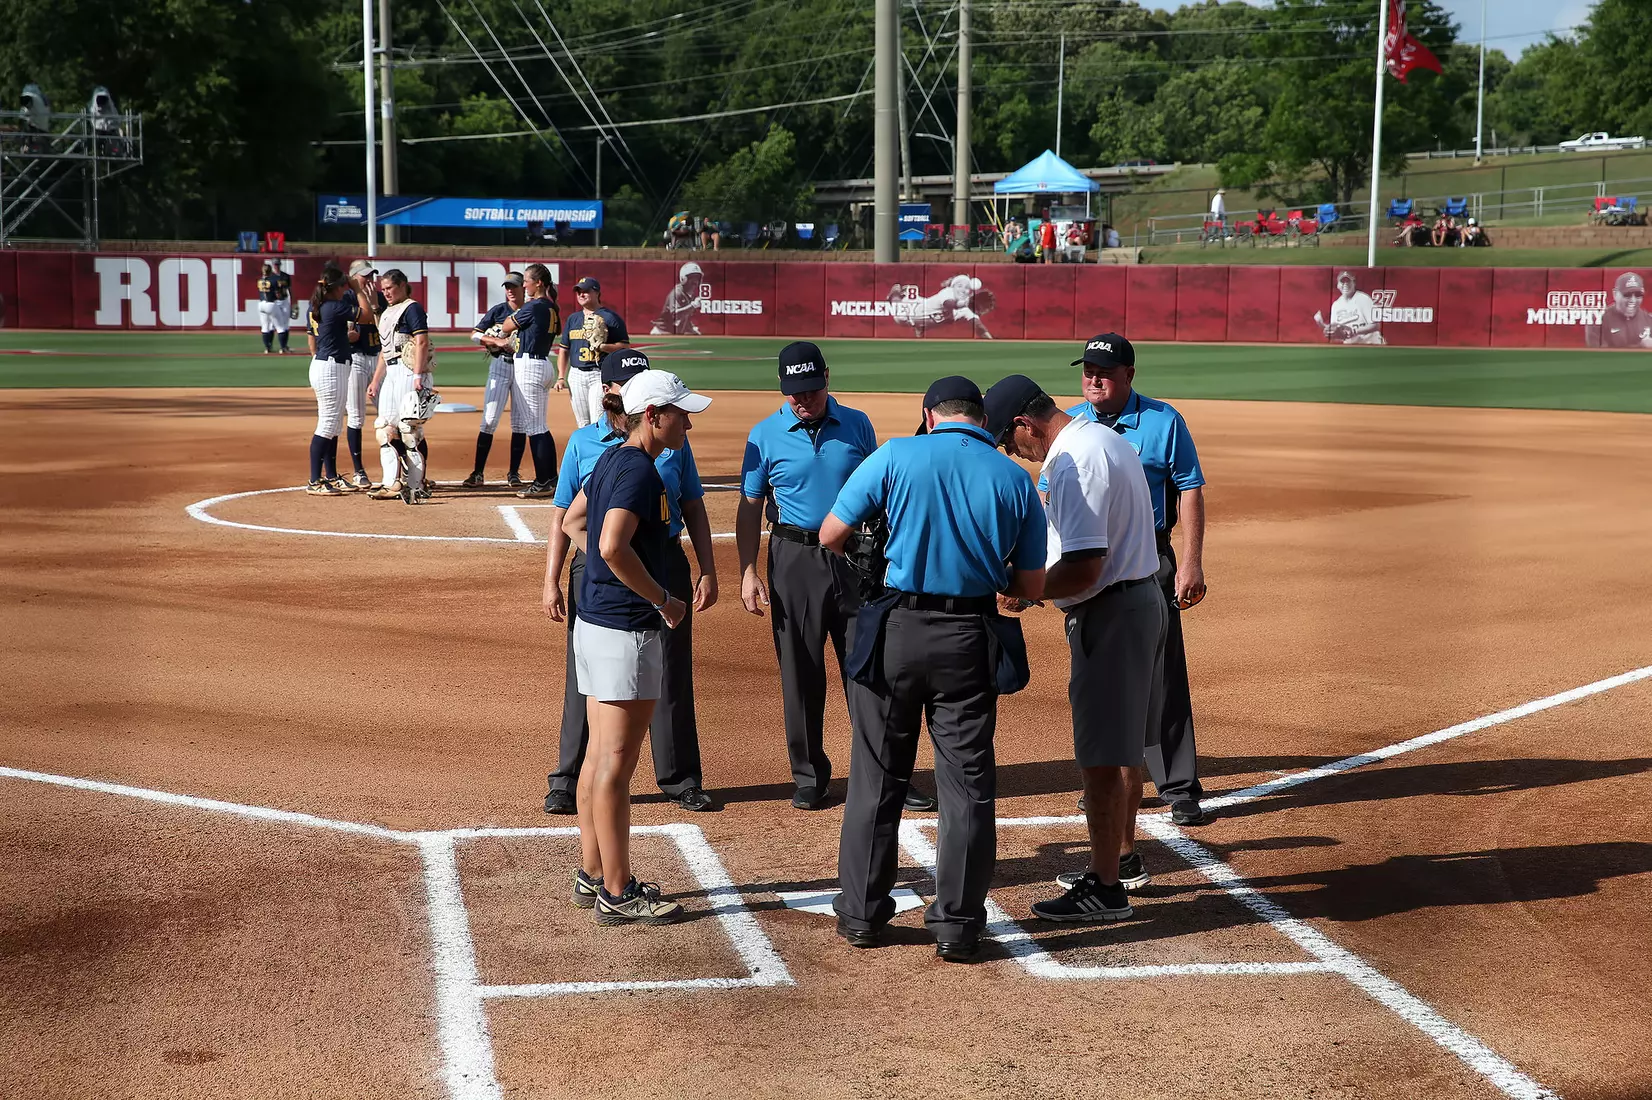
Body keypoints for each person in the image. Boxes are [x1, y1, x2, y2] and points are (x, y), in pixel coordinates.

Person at [820, 375, 1046, 962]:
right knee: (967, 787)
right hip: (969, 637)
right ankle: (958, 925)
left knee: (876, 777)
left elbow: (831, 534)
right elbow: (1028, 584)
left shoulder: (896, 453)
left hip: (895, 631)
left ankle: (863, 915)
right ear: (980, 419)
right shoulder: (1014, 477)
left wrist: (873, 565)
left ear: (929, 415)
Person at [986, 374, 1165, 923]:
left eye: (1008, 441)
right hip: (1133, 603)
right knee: (1122, 744)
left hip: (1109, 614)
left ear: (1026, 426)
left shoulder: (1072, 459)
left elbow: (1086, 564)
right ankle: (1124, 858)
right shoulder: (1102, 438)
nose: (1012, 452)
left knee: (1099, 758)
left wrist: (1023, 590)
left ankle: (1107, 887)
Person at [735, 343, 935, 814]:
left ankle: (886, 773)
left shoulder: (858, 424)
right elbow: (748, 508)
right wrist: (746, 571)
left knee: (868, 667)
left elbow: (879, 491)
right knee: (800, 672)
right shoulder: (764, 434)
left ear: (827, 377)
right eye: (793, 392)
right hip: (793, 559)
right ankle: (809, 776)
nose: (802, 399)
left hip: (853, 558)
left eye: (810, 389)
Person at [558, 368, 712, 925]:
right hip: (627, 630)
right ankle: (618, 892)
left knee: (600, 757)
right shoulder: (641, 473)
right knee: (616, 767)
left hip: (596, 623)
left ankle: (594, 871)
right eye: (681, 413)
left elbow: (575, 522)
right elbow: (611, 544)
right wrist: (663, 599)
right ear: (653, 415)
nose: (688, 423)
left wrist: (599, 567)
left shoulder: (609, 460)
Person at [1061, 333, 1210, 827]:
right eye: (1087, 370)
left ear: (1129, 375)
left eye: (1104, 371)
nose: (1093, 379)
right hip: (1089, 562)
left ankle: (1178, 783)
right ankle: (1107, 779)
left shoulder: (1163, 421)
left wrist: (1190, 561)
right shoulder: (1073, 425)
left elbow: (1189, 489)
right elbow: (1047, 497)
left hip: (1149, 558)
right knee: (1100, 674)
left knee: (1161, 672)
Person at [481, 264, 562, 497]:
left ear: (538, 283)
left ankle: (543, 480)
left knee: (535, 428)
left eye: (527, 280)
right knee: (539, 426)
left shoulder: (534, 305)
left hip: (529, 364)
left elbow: (506, 326)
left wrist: (505, 331)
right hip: (543, 363)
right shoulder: (551, 306)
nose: (523, 284)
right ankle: (550, 478)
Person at [303, 265, 375, 495]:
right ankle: (314, 480)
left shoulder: (327, 305)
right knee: (327, 424)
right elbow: (367, 315)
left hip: (333, 365)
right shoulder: (333, 306)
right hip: (330, 367)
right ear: (336, 288)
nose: (347, 288)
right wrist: (359, 291)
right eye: (344, 285)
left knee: (333, 425)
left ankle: (330, 476)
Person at [365, 269, 434, 503]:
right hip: (392, 372)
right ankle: (391, 482)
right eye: (383, 289)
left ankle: (417, 484)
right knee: (384, 427)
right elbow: (386, 352)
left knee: (409, 430)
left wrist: (417, 375)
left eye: (390, 288)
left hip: (408, 370)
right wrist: (375, 380)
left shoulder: (412, 308)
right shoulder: (387, 312)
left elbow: (421, 342)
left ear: (403, 285)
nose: (386, 293)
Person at [462, 271, 530, 489]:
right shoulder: (499, 310)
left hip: (523, 367)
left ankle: (514, 473)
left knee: (519, 423)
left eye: (514, 286)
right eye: (507, 286)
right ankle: (478, 473)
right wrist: (495, 340)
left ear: (523, 288)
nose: (510, 290)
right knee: (489, 420)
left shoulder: (531, 309)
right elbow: (474, 334)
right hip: (500, 366)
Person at [558, 276, 631, 429]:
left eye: (585, 291)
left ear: (597, 293)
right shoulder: (573, 319)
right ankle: (587, 452)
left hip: (599, 374)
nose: (581, 294)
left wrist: (603, 347)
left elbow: (625, 347)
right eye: (578, 291)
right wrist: (560, 377)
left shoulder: (610, 318)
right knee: (582, 423)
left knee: (597, 421)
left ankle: (601, 452)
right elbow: (564, 350)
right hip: (576, 374)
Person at [340, 259, 384, 490]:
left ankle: (396, 468)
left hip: (379, 359)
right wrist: (346, 335)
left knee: (388, 414)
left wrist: (376, 306)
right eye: (365, 276)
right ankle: (359, 471)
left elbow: (386, 328)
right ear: (352, 277)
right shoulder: (346, 298)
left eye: (371, 276)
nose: (370, 280)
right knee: (356, 416)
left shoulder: (380, 297)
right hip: (355, 358)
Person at [1315, 271, 1385, 346]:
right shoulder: (1336, 305)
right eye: (1342, 282)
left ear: (1354, 283)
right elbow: (1335, 332)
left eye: (1348, 281)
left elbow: (1376, 325)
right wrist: (1322, 325)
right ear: (1338, 285)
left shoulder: (1363, 299)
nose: (1346, 284)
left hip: (1371, 343)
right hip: (1351, 347)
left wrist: (1354, 331)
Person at [1585, 271, 1652, 348]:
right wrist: (1640, 347)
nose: (1633, 300)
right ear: (1615, 294)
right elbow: (1598, 356)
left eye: (1638, 295)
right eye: (1627, 294)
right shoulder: (1599, 320)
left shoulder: (1649, 319)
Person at [650, 262, 707, 336]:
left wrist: (691, 329)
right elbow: (675, 315)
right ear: (683, 278)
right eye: (691, 278)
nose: (695, 281)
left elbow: (685, 317)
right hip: (661, 332)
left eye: (697, 278)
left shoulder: (690, 295)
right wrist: (693, 305)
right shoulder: (677, 293)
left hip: (672, 333)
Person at [257, 261, 292, 355]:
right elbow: (277, 293)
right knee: (281, 327)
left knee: (265, 327)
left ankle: (267, 348)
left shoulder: (260, 280)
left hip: (261, 304)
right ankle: (283, 348)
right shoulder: (273, 280)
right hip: (271, 304)